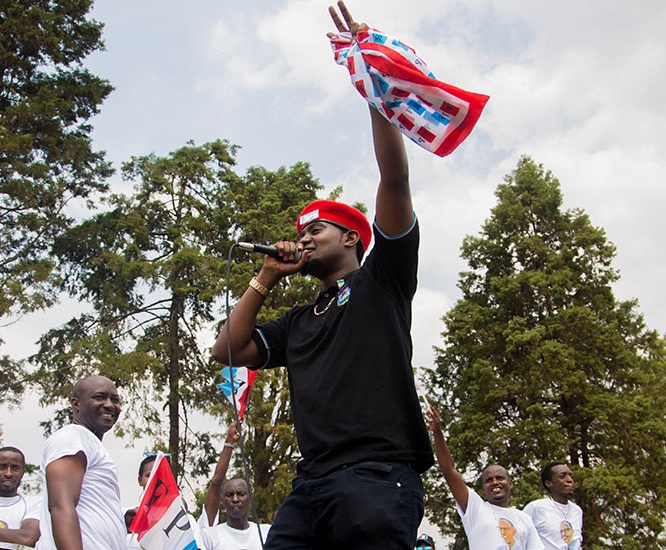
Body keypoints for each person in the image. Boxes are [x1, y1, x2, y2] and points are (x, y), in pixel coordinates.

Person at [210, 2, 433, 547]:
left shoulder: (382, 279)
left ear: (353, 238)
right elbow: (228, 352)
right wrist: (264, 277)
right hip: (309, 486)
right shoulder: (298, 320)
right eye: (300, 232)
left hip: (378, 475)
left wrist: (373, 88)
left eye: (319, 231)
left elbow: (395, 179)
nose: (305, 238)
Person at [424, 404, 542, 550]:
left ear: (510, 483)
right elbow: (449, 470)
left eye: (500, 478)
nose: (495, 482)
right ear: (483, 488)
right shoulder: (476, 509)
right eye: (488, 480)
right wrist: (437, 431)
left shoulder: (525, 519)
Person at [39, 374, 127, 550]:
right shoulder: (73, 436)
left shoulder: (89, 443)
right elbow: (60, 505)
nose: (110, 405)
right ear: (76, 404)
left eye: (115, 400)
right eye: (99, 397)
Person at [523, 462, 583, 549]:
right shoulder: (536, 508)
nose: (569, 480)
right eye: (562, 476)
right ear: (549, 483)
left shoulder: (577, 510)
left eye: (571, 476)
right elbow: (520, 537)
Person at [200, 478, 270, 550]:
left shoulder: (266, 532)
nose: (235, 499)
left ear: (250, 499)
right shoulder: (209, 536)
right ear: (222, 501)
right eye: (229, 495)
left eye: (241, 494)